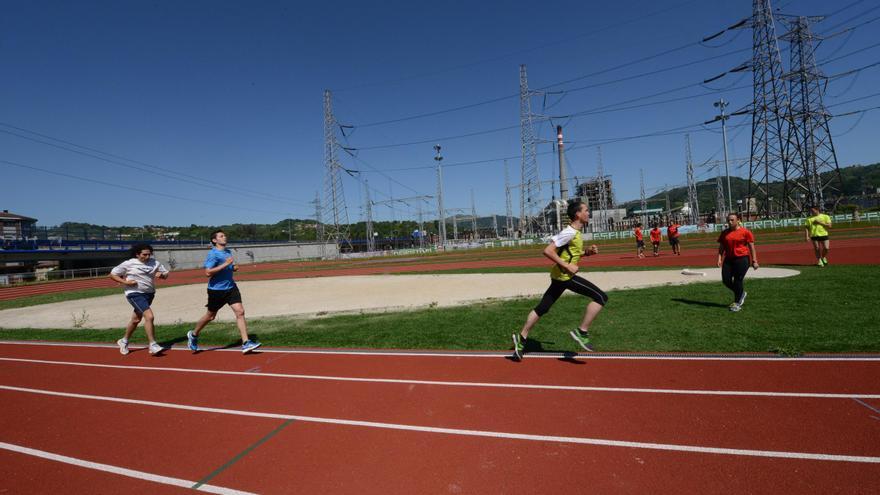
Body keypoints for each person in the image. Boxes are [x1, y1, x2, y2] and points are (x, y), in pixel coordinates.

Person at [512, 201, 608, 360]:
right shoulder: (569, 232)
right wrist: (567, 266)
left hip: (559, 277)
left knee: (542, 308)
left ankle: (522, 339)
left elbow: (570, 253)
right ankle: (581, 332)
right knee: (601, 297)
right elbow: (548, 251)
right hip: (565, 277)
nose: (589, 213)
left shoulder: (575, 233)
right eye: (586, 210)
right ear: (578, 214)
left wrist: (587, 253)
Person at [187, 230, 262, 354]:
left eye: (225, 235)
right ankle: (193, 335)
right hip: (216, 290)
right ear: (215, 240)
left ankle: (246, 343)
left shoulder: (228, 252)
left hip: (231, 287)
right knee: (210, 316)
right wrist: (226, 264)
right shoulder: (213, 254)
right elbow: (207, 272)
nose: (225, 237)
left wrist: (232, 267)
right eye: (221, 236)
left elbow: (227, 266)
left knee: (240, 311)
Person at [109, 243, 170, 355]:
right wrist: (126, 282)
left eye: (149, 254)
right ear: (137, 254)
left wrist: (162, 275)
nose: (147, 257)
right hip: (134, 294)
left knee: (136, 319)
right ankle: (153, 344)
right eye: (144, 254)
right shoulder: (129, 263)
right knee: (149, 316)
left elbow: (166, 274)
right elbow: (113, 274)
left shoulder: (154, 263)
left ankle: (124, 341)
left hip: (149, 294)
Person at [717, 213, 759, 312]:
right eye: (728, 220)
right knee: (726, 280)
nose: (730, 222)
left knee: (737, 281)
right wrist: (719, 258)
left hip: (742, 259)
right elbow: (721, 247)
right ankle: (741, 293)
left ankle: (737, 303)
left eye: (732, 220)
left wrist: (754, 260)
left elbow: (751, 247)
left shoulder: (745, 232)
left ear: (738, 220)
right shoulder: (725, 233)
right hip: (728, 259)